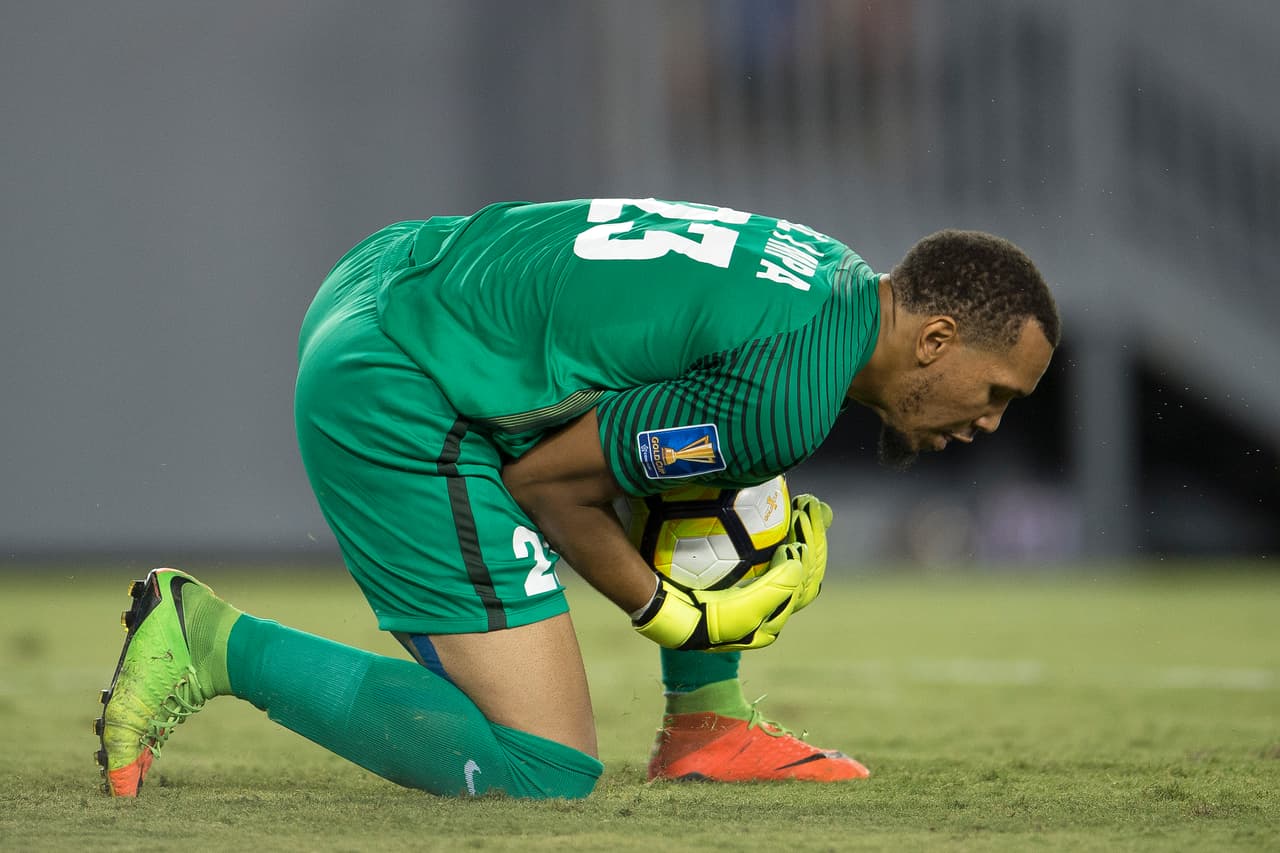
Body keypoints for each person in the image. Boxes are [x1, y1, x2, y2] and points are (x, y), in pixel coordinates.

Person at [95, 197, 1059, 798]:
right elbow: (547, 486)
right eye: (997, 394)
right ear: (934, 340)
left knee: (730, 464)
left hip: (400, 274)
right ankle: (211, 639)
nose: (988, 424)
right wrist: (670, 611)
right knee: (546, 768)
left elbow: (678, 419)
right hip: (397, 376)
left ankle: (707, 726)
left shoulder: (827, 276)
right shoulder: (792, 391)